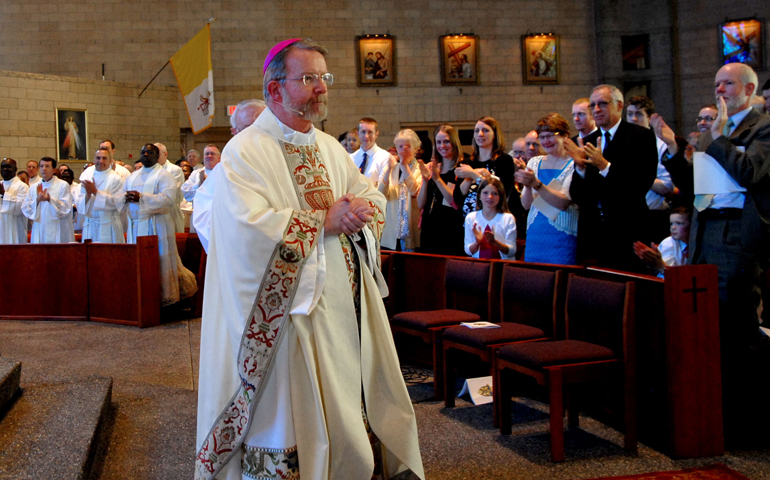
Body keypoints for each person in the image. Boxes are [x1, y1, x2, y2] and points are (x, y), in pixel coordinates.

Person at [196, 38, 423, 480]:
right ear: (275, 89)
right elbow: (245, 230)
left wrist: (364, 211)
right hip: (290, 318)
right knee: (291, 408)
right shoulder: (244, 153)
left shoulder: (329, 147)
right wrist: (321, 223)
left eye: (324, 77)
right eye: (308, 79)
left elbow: (369, 196)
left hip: (341, 309)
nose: (321, 88)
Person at [654, 63, 770, 438]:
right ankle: (719, 412)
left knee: (737, 321)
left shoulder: (763, 126)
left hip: (738, 235)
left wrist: (719, 139)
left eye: (729, 83)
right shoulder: (713, 133)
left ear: (749, 89)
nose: (720, 89)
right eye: (717, 83)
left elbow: (751, 173)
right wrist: (674, 151)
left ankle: (752, 417)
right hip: (707, 231)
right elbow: (692, 186)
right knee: (708, 323)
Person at [565, 84, 658, 271]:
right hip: (594, 235)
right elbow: (579, 197)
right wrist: (580, 168)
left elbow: (639, 186)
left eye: (602, 104)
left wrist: (604, 166)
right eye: (593, 105)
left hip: (627, 231)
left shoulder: (640, 136)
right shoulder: (589, 141)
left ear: (619, 105)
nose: (596, 110)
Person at [124, 144, 197, 306]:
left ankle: (164, 298)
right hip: (136, 227)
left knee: (160, 261)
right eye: (143, 152)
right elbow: (122, 197)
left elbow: (169, 201)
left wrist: (141, 198)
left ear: (158, 157)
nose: (146, 154)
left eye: (150, 152)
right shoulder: (132, 176)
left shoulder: (165, 176)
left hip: (157, 226)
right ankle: (141, 298)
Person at [515, 113, 578, 265]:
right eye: (541, 137)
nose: (545, 141)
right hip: (535, 237)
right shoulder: (534, 162)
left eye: (550, 136)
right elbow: (526, 205)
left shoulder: (575, 163)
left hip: (561, 238)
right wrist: (528, 185)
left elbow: (562, 203)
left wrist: (536, 183)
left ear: (565, 136)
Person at [626, 95, 678, 243]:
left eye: (639, 114)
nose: (633, 119)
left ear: (649, 118)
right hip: (627, 215)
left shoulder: (660, 145)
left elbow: (667, 187)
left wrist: (636, 175)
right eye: (630, 114)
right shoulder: (622, 143)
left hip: (653, 216)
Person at [453, 116, 516, 223]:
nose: (480, 134)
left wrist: (474, 175)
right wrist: (469, 177)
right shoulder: (467, 163)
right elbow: (457, 198)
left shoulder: (504, 160)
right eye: (477, 131)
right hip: (469, 223)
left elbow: (503, 190)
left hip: (495, 221)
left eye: (485, 130)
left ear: (495, 135)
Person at [417, 124, 465, 256]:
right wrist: (426, 180)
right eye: (439, 142)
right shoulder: (432, 167)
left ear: (454, 142)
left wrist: (437, 179)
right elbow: (420, 204)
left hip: (450, 230)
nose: (442, 146)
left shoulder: (461, 169)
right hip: (430, 228)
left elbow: (454, 202)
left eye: (446, 142)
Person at [379, 129, 423, 251]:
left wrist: (404, 166)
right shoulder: (393, 168)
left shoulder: (421, 169)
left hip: (411, 226)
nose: (403, 150)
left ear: (416, 148)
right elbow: (381, 194)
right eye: (400, 146)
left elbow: (415, 191)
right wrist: (387, 170)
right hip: (392, 230)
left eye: (408, 146)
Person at [78, 147, 126, 243]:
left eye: (104, 158)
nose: (100, 161)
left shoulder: (116, 179)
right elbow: (80, 205)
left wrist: (95, 191)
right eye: (98, 158)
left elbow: (118, 203)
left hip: (109, 224)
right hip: (90, 225)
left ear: (110, 161)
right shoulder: (86, 177)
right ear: (94, 159)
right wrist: (88, 194)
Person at [21, 157, 75, 243]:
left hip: (57, 227)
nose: (44, 169)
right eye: (42, 166)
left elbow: (66, 208)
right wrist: (37, 200)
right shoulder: (34, 187)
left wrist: (50, 199)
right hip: (40, 226)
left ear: (53, 169)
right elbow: (25, 208)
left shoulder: (63, 185)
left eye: (47, 166)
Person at [464, 178, 516, 259]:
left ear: (500, 197)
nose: (490, 197)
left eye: (495, 193)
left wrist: (495, 242)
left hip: (502, 265)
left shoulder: (508, 218)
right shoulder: (471, 217)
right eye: (485, 193)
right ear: (479, 196)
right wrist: (477, 243)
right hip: (479, 266)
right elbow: (468, 250)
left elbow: (512, 251)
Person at [633, 206, 691, 278]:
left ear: (692, 225)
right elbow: (669, 278)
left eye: (679, 223)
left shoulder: (700, 245)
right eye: (671, 224)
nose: (673, 227)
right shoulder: (668, 244)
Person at [154, 142, 185, 233]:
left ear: (165, 154)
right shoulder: (149, 170)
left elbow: (171, 193)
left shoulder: (175, 170)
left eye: (157, 155)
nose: (155, 157)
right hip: (153, 212)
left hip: (170, 211)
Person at [350, 117, 390, 184]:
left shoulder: (385, 158)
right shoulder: (351, 158)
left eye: (370, 132)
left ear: (376, 134)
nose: (366, 136)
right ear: (358, 134)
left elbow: (384, 188)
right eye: (363, 132)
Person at [0, 158, 29, 244]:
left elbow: (22, 208)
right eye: (3, 167)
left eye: (8, 167)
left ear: (15, 169)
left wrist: (4, 194)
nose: (5, 169)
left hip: (15, 229)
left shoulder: (22, 187)